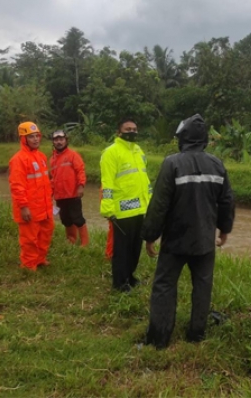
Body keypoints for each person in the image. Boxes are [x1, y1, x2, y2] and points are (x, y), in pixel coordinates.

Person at [142, 114, 235, 349]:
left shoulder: (171, 163)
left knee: (164, 286)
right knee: (203, 287)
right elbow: (226, 202)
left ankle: (159, 341)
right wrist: (224, 229)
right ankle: (196, 336)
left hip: (175, 241)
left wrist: (150, 235)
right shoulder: (217, 164)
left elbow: (159, 204)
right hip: (205, 241)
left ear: (182, 138)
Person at [100, 118, 152, 292]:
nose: (132, 132)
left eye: (134, 129)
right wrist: (107, 208)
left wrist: (150, 202)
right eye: (128, 129)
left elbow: (144, 179)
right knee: (122, 249)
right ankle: (120, 282)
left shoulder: (138, 151)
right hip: (122, 210)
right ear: (119, 132)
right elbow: (107, 183)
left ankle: (130, 276)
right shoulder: (111, 152)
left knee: (135, 248)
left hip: (139, 208)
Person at [8, 122, 54, 271]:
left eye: (37, 136)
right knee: (29, 238)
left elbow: (45, 182)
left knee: (45, 233)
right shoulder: (18, 159)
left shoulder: (41, 157)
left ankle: (40, 259)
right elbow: (17, 186)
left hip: (45, 206)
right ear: (23, 139)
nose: (35, 139)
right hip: (30, 207)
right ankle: (29, 265)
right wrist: (24, 207)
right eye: (31, 137)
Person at [50, 130, 89, 246]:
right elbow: (53, 178)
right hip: (60, 196)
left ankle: (85, 243)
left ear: (66, 140)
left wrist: (81, 186)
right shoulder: (52, 159)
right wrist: (50, 193)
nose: (59, 142)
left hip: (73, 194)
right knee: (66, 220)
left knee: (77, 218)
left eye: (61, 139)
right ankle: (71, 240)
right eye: (56, 140)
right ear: (53, 142)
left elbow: (80, 171)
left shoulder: (73, 155)